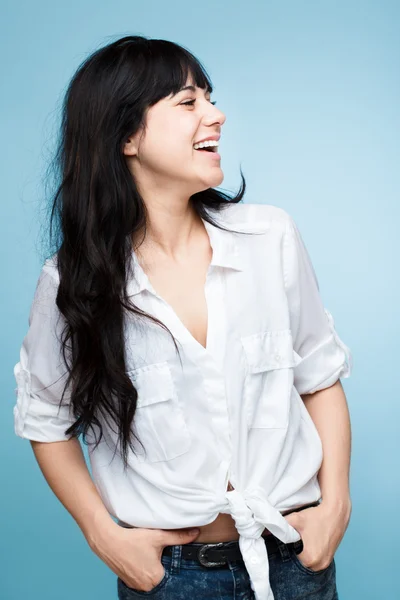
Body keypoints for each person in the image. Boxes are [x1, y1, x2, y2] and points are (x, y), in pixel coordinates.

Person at [13, 35, 353, 600]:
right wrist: (103, 535)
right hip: (171, 580)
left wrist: (336, 502)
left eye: (210, 98)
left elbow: (319, 377)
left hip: (294, 561)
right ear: (126, 136)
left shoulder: (270, 238)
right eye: (188, 102)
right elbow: (44, 418)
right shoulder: (73, 282)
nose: (216, 116)